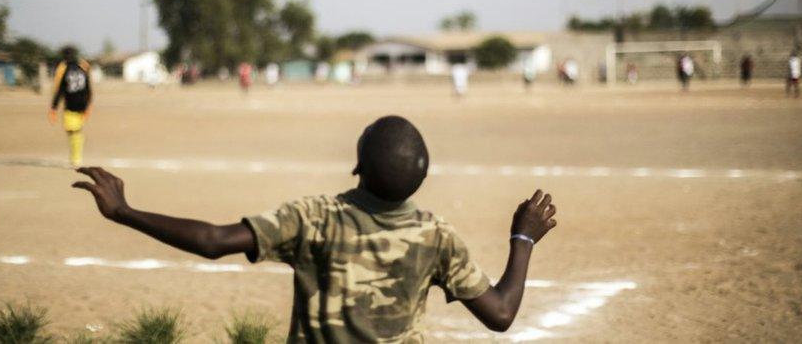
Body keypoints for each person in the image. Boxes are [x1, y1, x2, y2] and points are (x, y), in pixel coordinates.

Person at [72, 116, 558, 341]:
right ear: (420, 181)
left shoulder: (314, 218)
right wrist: (523, 239)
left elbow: (213, 243)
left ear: (357, 168)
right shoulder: (437, 237)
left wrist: (124, 211)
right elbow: (499, 314)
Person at [48, 46, 93, 168]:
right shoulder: (83, 67)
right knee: (76, 130)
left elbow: (60, 89)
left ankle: (76, 157)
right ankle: (76, 157)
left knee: (73, 131)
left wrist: (54, 107)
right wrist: (89, 104)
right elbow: (89, 87)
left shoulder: (63, 68)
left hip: (71, 105)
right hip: (83, 104)